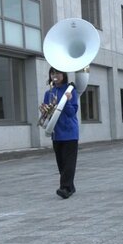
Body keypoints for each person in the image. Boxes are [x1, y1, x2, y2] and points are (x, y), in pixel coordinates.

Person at [40, 67, 79, 199]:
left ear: (63, 75)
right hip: (56, 132)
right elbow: (47, 114)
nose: (54, 75)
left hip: (70, 132)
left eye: (57, 73)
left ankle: (65, 188)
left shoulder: (71, 90)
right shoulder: (48, 93)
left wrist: (67, 101)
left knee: (69, 163)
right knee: (61, 162)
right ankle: (70, 186)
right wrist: (44, 110)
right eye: (52, 73)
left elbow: (72, 112)